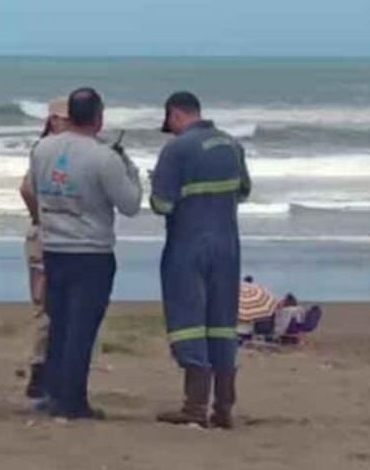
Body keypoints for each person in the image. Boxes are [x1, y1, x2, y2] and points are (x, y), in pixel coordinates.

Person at [28, 88, 142, 420]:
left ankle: (53, 392)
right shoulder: (104, 157)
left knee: (59, 324)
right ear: (98, 118)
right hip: (90, 251)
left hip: (54, 247)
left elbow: (34, 189)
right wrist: (129, 168)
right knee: (81, 328)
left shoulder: (42, 149)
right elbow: (130, 204)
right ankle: (72, 400)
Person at [150, 91, 252, 429]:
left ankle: (194, 407)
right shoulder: (232, 145)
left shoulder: (176, 150)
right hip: (227, 244)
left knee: (187, 321)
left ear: (175, 115)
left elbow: (162, 205)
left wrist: (156, 184)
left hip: (188, 244)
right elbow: (243, 191)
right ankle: (223, 407)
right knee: (222, 322)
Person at [16, 97, 70, 402]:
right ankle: (39, 369)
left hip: (53, 234)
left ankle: (49, 369)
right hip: (44, 235)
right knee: (45, 305)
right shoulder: (46, 150)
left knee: (54, 306)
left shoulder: (54, 150)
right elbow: (26, 189)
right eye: (62, 119)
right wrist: (40, 217)